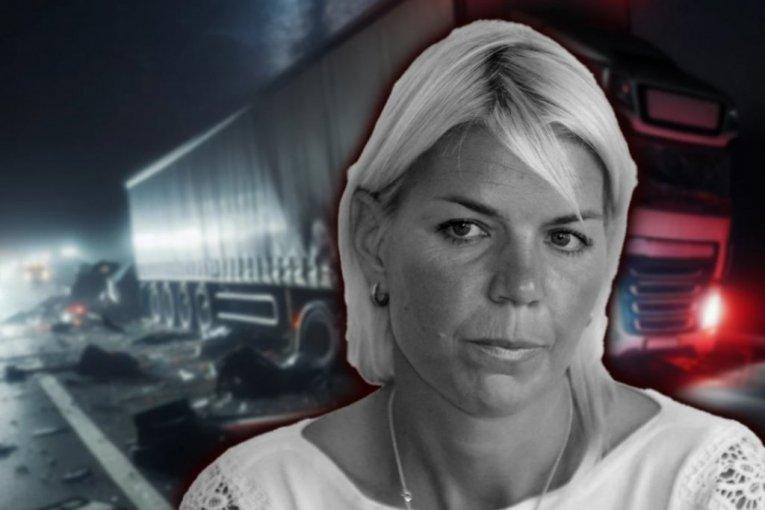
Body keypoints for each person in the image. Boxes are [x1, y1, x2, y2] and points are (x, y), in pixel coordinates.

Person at [180, 20, 765, 510]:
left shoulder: (705, 483)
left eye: (564, 237)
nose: (521, 285)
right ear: (372, 239)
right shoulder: (258, 495)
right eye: (466, 229)